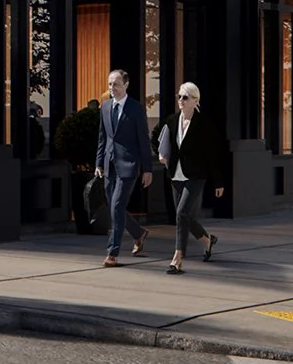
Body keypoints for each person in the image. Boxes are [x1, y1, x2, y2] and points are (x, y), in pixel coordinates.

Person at [154, 81, 228, 273]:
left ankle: (178, 258)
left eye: (185, 97)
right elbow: (161, 140)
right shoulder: (172, 120)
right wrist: (161, 155)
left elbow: (212, 155)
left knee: (181, 214)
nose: (181, 100)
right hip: (175, 174)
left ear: (195, 100)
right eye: (179, 96)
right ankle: (207, 240)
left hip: (196, 175)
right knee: (183, 216)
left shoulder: (204, 125)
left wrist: (218, 181)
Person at [95, 67, 153, 266]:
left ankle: (113, 253)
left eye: (116, 84)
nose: (112, 88)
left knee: (117, 206)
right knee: (114, 208)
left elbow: (144, 140)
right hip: (109, 164)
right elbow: (102, 138)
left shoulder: (136, 109)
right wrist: (98, 163)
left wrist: (147, 169)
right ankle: (139, 232)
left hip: (128, 165)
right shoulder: (105, 107)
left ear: (126, 85)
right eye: (110, 84)